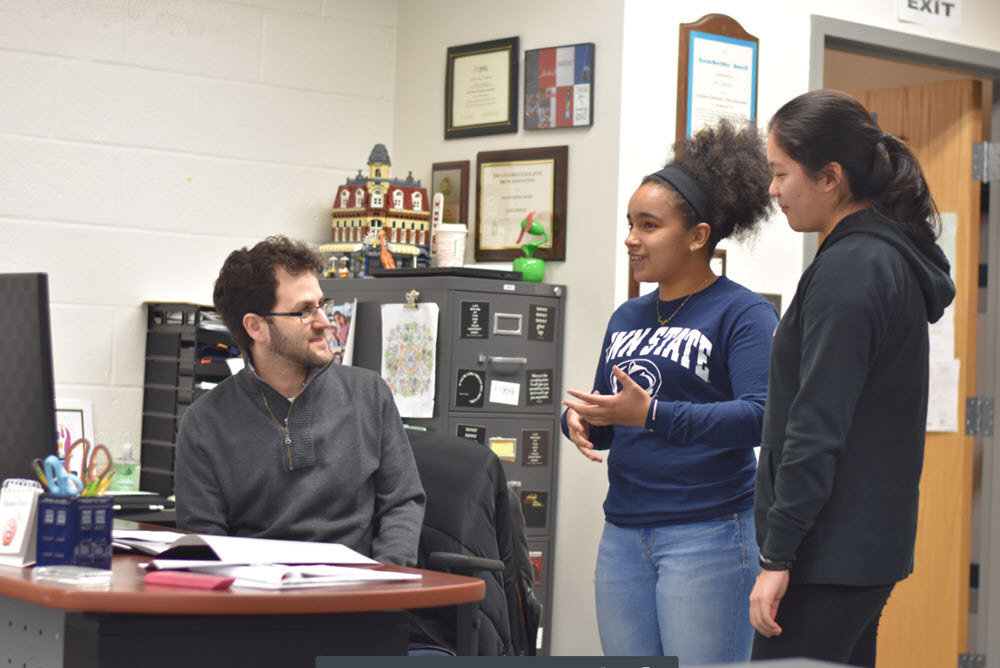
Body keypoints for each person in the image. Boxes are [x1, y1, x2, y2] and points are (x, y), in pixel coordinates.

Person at [750, 90, 956, 666]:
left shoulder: (853, 269)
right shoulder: (880, 257)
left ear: (830, 178)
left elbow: (816, 428)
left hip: (825, 556)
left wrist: (777, 556)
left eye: (780, 173)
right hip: (858, 552)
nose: (773, 190)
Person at [561, 120, 777, 663]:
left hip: (709, 533)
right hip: (624, 534)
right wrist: (582, 422)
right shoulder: (627, 315)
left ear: (698, 235)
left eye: (649, 225)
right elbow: (613, 413)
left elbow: (762, 416)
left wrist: (654, 414)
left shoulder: (744, 312)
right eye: (630, 224)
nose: (632, 238)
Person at [175, 235, 425, 566]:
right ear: (256, 327)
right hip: (258, 604)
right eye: (304, 312)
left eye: (322, 304)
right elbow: (205, 545)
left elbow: (402, 502)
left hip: (361, 598)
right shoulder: (205, 421)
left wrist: (389, 577)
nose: (325, 322)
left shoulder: (369, 393)